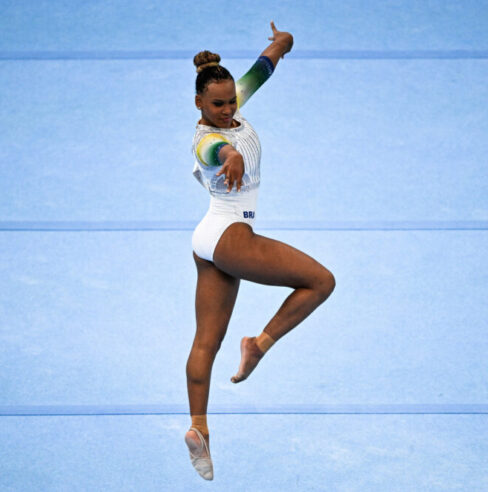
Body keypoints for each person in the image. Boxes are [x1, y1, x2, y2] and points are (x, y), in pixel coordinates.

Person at [185, 22, 336, 480]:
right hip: (231, 234)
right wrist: (230, 156)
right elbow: (215, 150)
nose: (228, 109)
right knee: (321, 281)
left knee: (206, 343)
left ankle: (198, 430)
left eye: (232, 100)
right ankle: (259, 343)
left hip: (208, 239)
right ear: (199, 105)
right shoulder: (207, 137)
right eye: (218, 104)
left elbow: (260, 72)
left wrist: (281, 44)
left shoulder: (232, 108)